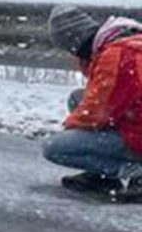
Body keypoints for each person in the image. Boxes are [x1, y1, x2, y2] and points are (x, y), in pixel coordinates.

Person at [42, 13, 142, 201]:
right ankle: (103, 177)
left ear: (76, 42)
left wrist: (71, 128)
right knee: (77, 98)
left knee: (55, 147)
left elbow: (97, 111)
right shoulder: (127, 41)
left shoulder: (117, 54)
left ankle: (134, 172)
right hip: (136, 121)